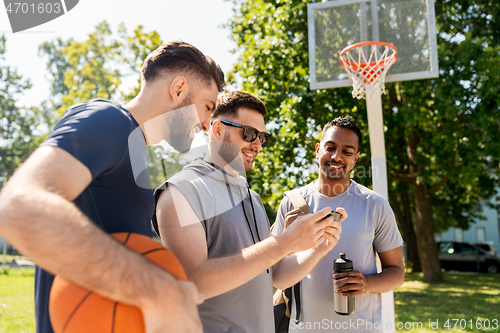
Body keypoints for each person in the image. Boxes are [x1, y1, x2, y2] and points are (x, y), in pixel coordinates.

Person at [0, 41, 225, 333]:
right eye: (207, 107)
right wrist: (159, 289)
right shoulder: (109, 120)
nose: (208, 124)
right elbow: (20, 207)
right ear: (179, 88)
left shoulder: (134, 152)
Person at [153, 91, 346, 333]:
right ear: (217, 129)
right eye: (249, 134)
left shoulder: (251, 198)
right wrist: (282, 244)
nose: (257, 145)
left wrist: (319, 247)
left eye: (262, 137)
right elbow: (193, 282)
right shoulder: (180, 192)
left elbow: (276, 276)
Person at [272, 116, 405, 333]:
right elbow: (276, 277)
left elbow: (397, 272)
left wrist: (367, 284)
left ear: (356, 158)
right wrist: (289, 244)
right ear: (317, 150)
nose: (337, 156)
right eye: (330, 147)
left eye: (347, 151)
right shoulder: (292, 203)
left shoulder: (374, 205)